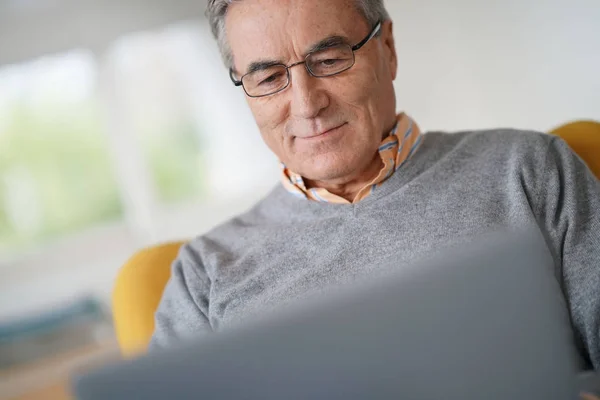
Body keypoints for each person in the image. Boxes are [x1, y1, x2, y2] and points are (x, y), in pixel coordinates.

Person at [150, 0, 600, 370]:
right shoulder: (203, 273)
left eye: (328, 60)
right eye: (268, 78)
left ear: (388, 47)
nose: (306, 104)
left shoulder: (529, 170)